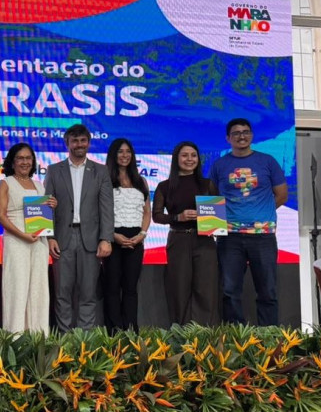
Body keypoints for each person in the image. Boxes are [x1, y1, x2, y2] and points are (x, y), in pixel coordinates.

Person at [209, 118, 288, 326]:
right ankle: (236, 336)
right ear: (228, 138)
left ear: (251, 135)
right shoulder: (219, 165)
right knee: (229, 290)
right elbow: (213, 197)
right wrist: (218, 223)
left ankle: (269, 335)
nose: (241, 136)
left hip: (263, 237)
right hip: (229, 237)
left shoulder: (268, 161)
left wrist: (261, 213)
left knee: (267, 290)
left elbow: (281, 195)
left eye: (245, 132)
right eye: (236, 133)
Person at [44, 124, 114, 332]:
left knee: (88, 293)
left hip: (91, 239)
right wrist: (50, 237)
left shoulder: (101, 171)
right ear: (67, 143)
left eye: (83, 140)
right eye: (74, 141)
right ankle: (64, 340)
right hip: (62, 239)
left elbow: (106, 207)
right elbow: (47, 206)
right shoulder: (54, 170)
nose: (79, 144)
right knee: (62, 293)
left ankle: (85, 340)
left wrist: (106, 238)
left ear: (89, 143)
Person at [152, 141, 219, 326]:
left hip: (205, 241)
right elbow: (156, 216)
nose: (189, 159)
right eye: (184, 155)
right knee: (179, 288)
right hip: (178, 239)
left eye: (193, 155)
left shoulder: (207, 184)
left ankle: (205, 332)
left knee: (206, 288)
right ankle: (180, 332)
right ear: (176, 159)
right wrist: (178, 217)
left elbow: (217, 218)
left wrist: (208, 218)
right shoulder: (165, 186)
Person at [0, 143, 56, 334]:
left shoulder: (39, 185)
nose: (25, 162)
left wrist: (52, 204)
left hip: (39, 241)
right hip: (17, 240)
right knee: (17, 288)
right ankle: (14, 336)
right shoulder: (6, 183)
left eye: (28, 158)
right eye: (20, 158)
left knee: (39, 289)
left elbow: (44, 213)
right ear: (12, 162)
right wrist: (22, 235)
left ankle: (39, 336)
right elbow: (0, 215)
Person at [102, 138, 150, 333]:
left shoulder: (141, 181)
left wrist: (142, 234)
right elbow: (99, 212)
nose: (124, 155)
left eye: (128, 151)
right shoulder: (105, 179)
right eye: (120, 152)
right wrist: (112, 235)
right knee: (112, 287)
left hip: (136, 239)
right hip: (112, 237)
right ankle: (114, 331)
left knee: (131, 288)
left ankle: (131, 331)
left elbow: (147, 212)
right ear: (113, 155)